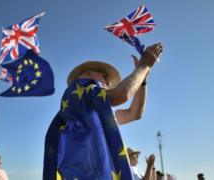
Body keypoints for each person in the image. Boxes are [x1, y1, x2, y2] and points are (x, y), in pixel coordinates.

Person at [43, 43, 164, 179]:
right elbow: (122, 94)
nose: (107, 82)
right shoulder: (76, 93)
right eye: (104, 76)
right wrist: (144, 66)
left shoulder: (100, 109)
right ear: (87, 74)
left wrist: (143, 80)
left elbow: (135, 113)